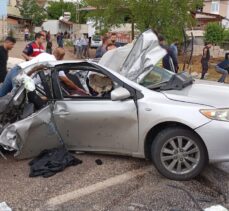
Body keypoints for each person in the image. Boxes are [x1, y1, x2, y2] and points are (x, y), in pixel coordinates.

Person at [0, 48, 87, 97]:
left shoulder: (44, 55)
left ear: (53, 52)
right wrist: (78, 89)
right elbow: (66, 81)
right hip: (22, 76)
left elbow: (32, 61)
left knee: (2, 94)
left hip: (15, 69)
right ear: (61, 57)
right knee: (16, 102)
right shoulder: (55, 64)